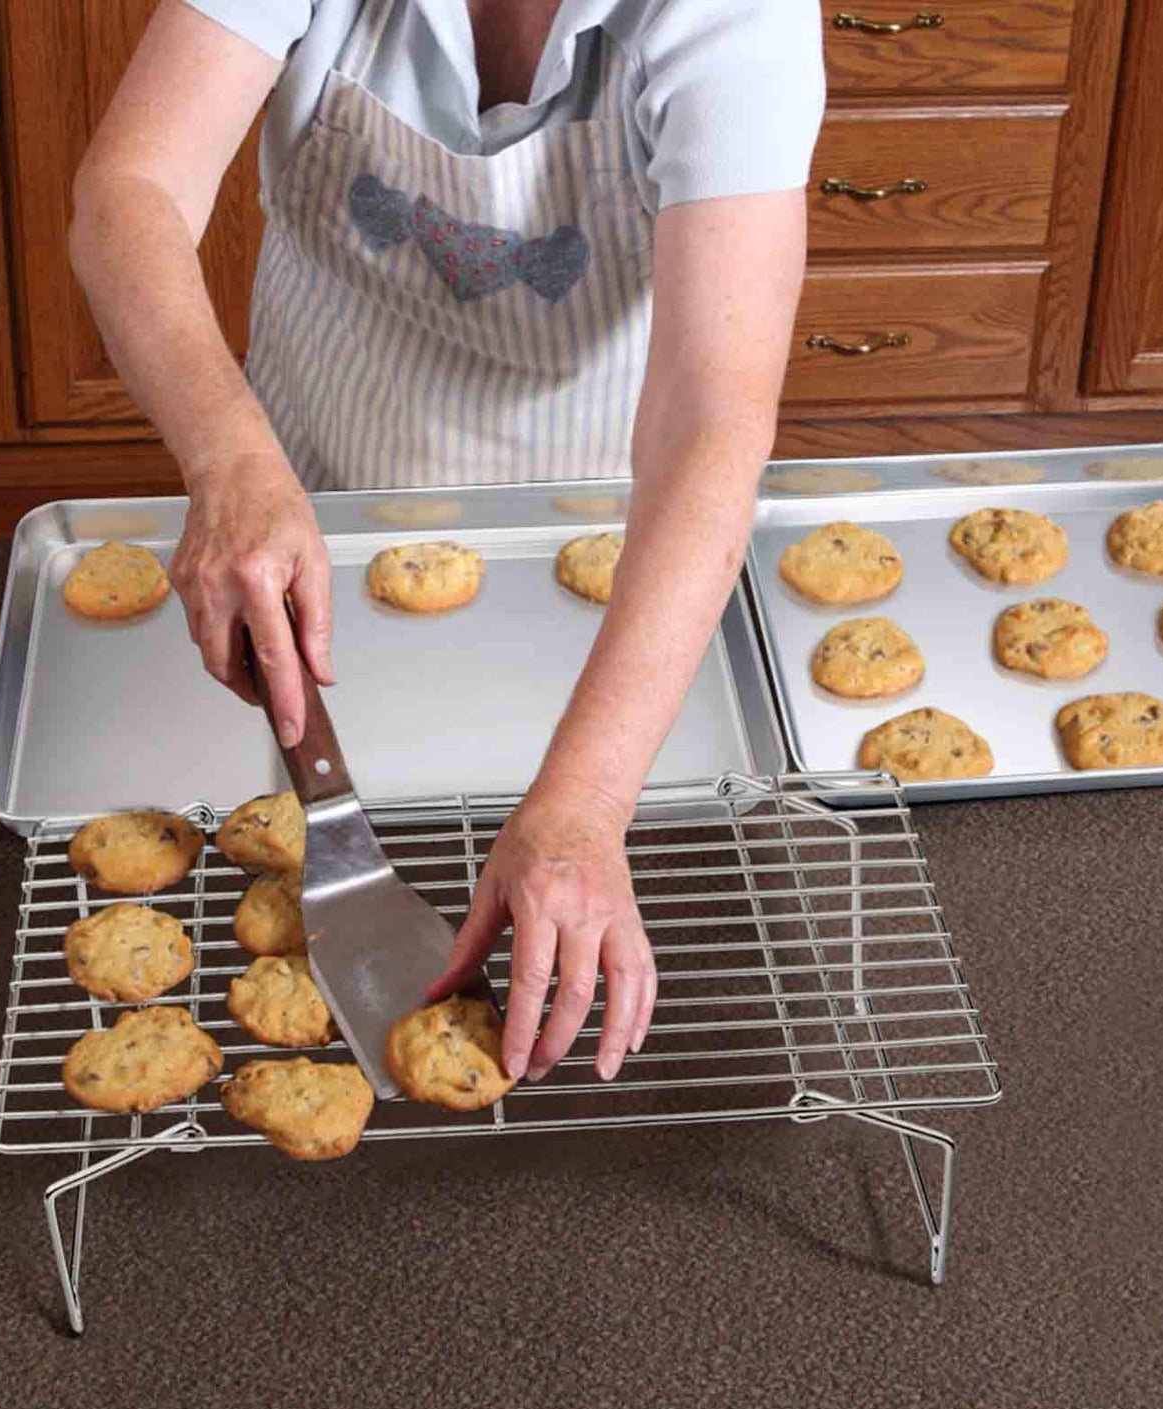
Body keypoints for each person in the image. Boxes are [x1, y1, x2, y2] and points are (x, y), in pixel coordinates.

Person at [69, 0, 825, 1086]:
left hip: (591, 555)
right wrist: (230, 464)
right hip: (304, 497)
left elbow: (712, 415)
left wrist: (585, 804)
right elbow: (126, 193)